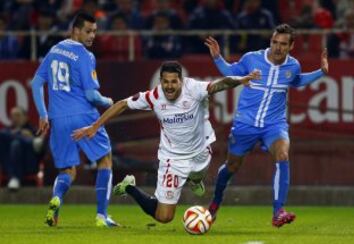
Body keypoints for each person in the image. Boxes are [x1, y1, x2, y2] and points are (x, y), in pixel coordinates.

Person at [72, 61, 260, 223]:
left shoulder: (193, 88)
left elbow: (220, 85)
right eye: (165, 82)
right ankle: (129, 186)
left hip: (200, 151)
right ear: (160, 81)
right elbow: (122, 104)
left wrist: (239, 81)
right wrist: (95, 126)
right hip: (173, 160)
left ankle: (195, 179)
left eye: (173, 82)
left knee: (197, 176)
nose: (169, 86)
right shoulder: (154, 96)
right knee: (164, 217)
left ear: (181, 81)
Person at [204, 23, 329, 227]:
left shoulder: (293, 65)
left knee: (283, 154)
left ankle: (278, 211)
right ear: (270, 42)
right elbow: (230, 72)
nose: (277, 47)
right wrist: (218, 57)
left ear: (291, 46)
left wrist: (320, 72)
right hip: (245, 124)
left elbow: (296, 81)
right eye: (274, 42)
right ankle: (215, 203)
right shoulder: (252, 58)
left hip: (274, 125)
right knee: (232, 166)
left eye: (282, 44)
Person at [31, 12, 118, 227]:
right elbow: (91, 96)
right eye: (88, 31)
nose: (92, 36)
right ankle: (101, 216)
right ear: (75, 30)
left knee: (68, 169)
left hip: (58, 118)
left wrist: (43, 114)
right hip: (84, 115)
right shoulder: (86, 56)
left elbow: (35, 83)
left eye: (95, 31)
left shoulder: (54, 50)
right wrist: (108, 101)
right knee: (105, 159)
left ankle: (57, 200)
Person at [0, 107, 44, 190]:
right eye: (12, 116)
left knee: (16, 143)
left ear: (25, 117)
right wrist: (24, 137)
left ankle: (15, 177)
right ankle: (29, 141)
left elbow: (41, 152)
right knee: (6, 138)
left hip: (29, 165)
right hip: (9, 166)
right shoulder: (6, 132)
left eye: (17, 115)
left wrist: (31, 136)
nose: (15, 118)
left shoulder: (35, 131)